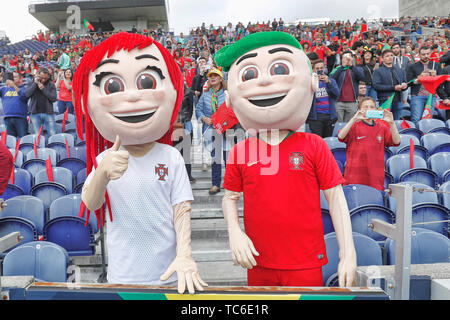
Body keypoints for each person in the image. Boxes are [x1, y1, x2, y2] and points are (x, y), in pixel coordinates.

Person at [215, 31, 356, 288]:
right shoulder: (241, 150)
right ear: (229, 98)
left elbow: (336, 198)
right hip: (258, 259)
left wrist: (348, 253)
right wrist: (235, 232)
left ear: (311, 83)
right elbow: (229, 197)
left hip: (306, 259)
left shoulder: (313, 144)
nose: (266, 82)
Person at [73, 32, 206, 293]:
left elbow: (181, 211)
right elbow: (91, 203)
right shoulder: (103, 158)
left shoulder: (171, 156)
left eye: (146, 81)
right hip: (123, 275)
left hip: (167, 274)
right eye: (113, 86)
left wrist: (185, 255)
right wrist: (102, 174)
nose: (133, 97)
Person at [338, 97, 400, 191]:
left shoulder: (382, 127)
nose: (369, 109)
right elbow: (341, 136)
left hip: (375, 178)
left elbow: (397, 142)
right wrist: (354, 118)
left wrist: (392, 123)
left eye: (372, 107)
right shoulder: (354, 126)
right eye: (365, 107)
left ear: (375, 109)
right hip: (355, 177)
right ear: (359, 110)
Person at [195, 68, 228, 195]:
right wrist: (204, 118)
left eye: (215, 76)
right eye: (210, 76)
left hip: (225, 130)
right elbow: (198, 110)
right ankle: (216, 184)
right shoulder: (206, 95)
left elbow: (232, 110)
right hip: (211, 130)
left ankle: (231, 184)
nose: (212, 78)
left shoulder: (226, 94)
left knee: (228, 157)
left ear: (220, 79)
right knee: (215, 158)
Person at [406, 46, 443, 124]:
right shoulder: (412, 66)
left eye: (428, 54)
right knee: (416, 118)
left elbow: (440, 82)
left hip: (431, 96)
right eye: (423, 54)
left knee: (428, 119)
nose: (426, 56)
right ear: (419, 55)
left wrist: (435, 77)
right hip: (417, 96)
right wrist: (419, 78)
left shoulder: (436, 65)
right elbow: (408, 82)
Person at [307, 59, 340, 138]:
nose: (319, 70)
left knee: (327, 141)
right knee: (317, 141)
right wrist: (314, 82)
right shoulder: (309, 82)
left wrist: (328, 82)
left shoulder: (331, 81)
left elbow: (337, 94)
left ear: (324, 68)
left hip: (329, 116)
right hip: (315, 117)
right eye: (317, 68)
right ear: (313, 70)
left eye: (321, 68)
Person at [372, 49, 408, 120]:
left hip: (398, 100)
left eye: (391, 55)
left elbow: (405, 83)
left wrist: (405, 86)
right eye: (387, 56)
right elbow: (376, 86)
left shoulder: (400, 70)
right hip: (385, 100)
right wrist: (393, 87)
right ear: (382, 58)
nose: (390, 57)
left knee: (397, 122)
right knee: (384, 122)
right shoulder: (378, 71)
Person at [331, 50, 365, 122]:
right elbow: (332, 79)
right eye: (345, 57)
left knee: (349, 124)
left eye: (349, 57)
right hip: (339, 101)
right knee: (338, 124)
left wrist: (351, 66)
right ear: (341, 59)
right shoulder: (337, 69)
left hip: (352, 101)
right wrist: (342, 67)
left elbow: (361, 77)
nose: (347, 59)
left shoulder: (356, 69)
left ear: (352, 59)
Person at [25, 68, 57, 136]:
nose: (43, 80)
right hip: (35, 112)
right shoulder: (31, 83)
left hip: (48, 112)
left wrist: (43, 89)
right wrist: (35, 84)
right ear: (37, 75)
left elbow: (53, 98)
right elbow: (27, 95)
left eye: (45, 78)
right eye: (42, 78)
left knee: (52, 133)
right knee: (38, 135)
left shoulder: (51, 84)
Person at [0, 72, 29, 138]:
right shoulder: (4, 89)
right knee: (10, 141)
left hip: (20, 118)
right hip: (7, 118)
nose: (12, 79)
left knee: (23, 139)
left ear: (20, 78)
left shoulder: (24, 88)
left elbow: (24, 97)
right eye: (12, 77)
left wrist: (14, 86)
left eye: (15, 77)